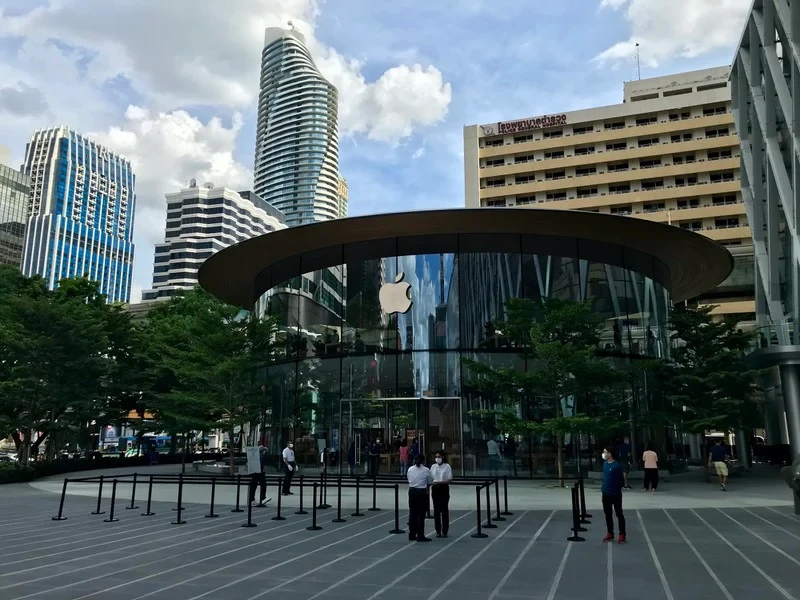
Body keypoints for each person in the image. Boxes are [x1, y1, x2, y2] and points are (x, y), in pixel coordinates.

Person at [601, 447, 626, 544]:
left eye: (605, 452)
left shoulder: (616, 466)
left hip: (615, 494)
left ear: (610, 454)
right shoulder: (604, 464)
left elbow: (621, 480)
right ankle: (610, 533)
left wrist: (616, 490)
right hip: (605, 493)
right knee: (608, 514)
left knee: (619, 514)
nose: (604, 453)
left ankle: (622, 534)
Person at [406, 454, 433, 542]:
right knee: (421, 514)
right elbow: (430, 481)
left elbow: (409, 479)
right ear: (423, 461)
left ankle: (412, 534)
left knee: (412, 513)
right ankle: (420, 535)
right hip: (421, 492)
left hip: (412, 491)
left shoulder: (410, 469)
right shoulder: (426, 470)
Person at [430, 451, 453, 538]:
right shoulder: (433, 466)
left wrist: (440, 482)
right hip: (435, 488)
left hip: (443, 488)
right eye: (436, 457)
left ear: (443, 457)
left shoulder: (447, 466)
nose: (437, 458)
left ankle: (445, 531)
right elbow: (430, 477)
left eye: (439, 456)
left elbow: (449, 479)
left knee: (444, 510)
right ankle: (438, 531)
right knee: (436, 510)